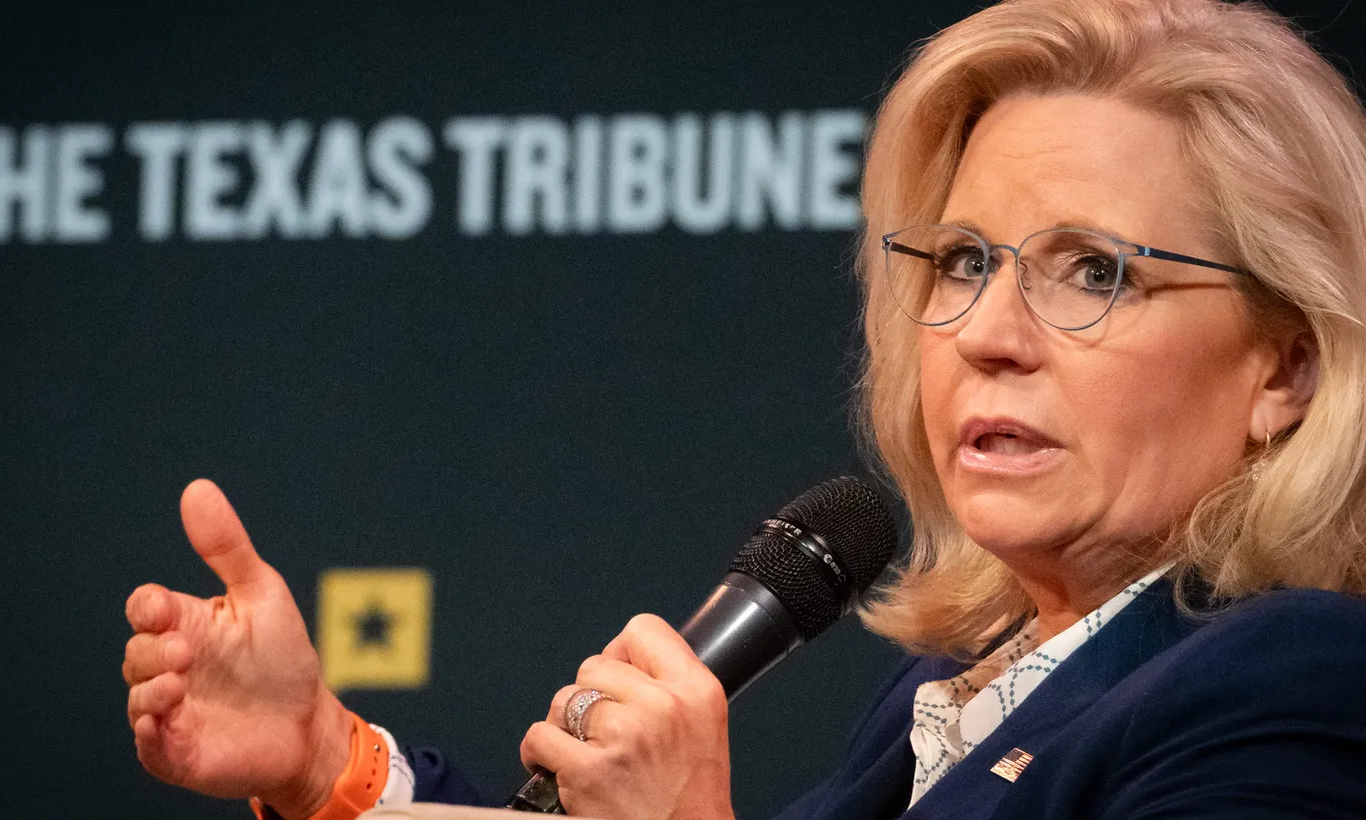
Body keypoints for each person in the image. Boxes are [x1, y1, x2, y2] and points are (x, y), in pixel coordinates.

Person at [122, 0, 1366, 817]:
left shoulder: (1292, 678)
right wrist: (327, 762)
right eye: (963, 262)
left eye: (1092, 270)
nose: (987, 335)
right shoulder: (961, 681)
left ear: (1286, 366)